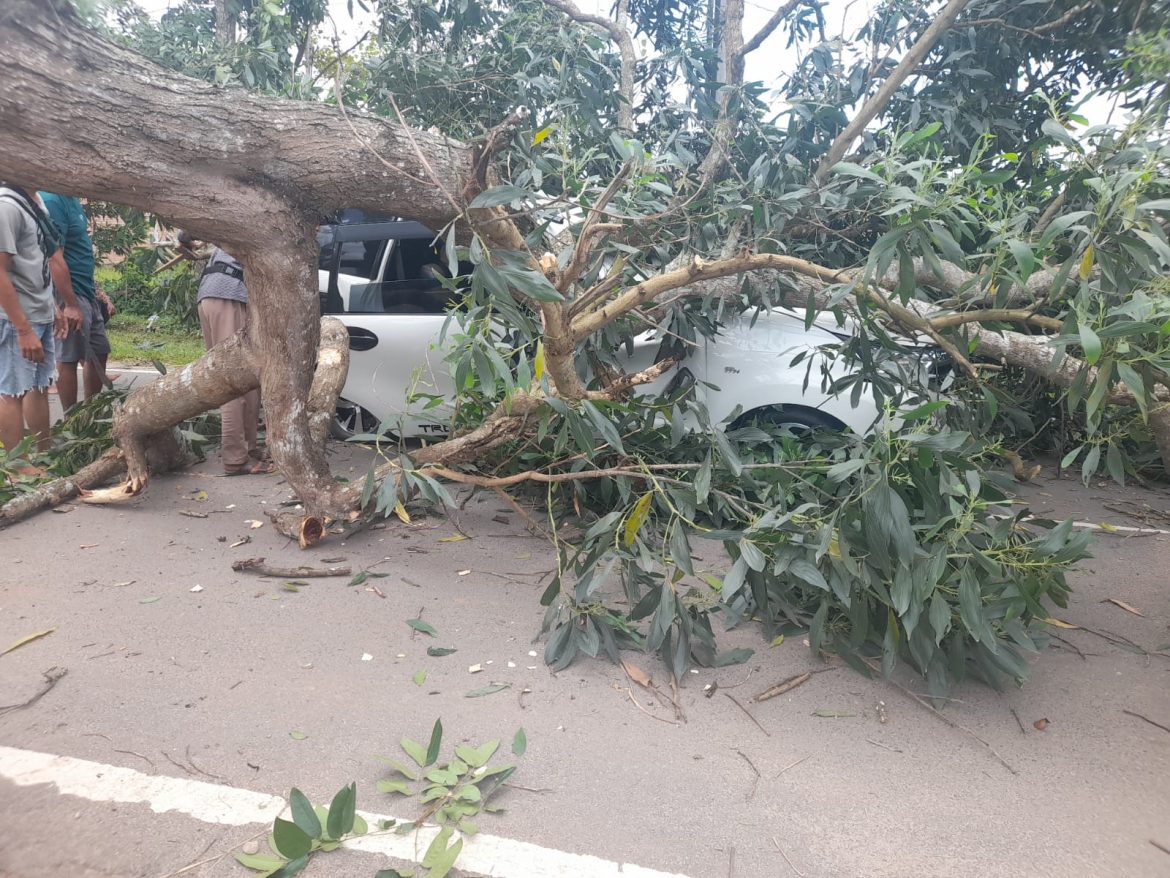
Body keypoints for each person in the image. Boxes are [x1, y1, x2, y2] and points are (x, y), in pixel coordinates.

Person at [0, 182, 82, 470]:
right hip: (16, 318)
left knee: (38, 385)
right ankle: (18, 468)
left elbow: (40, 263)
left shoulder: (34, 200)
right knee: (12, 392)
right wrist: (23, 329)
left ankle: (42, 456)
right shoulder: (7, 206)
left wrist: (53, 307)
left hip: (40, 311)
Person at [179, 231, 273, 476]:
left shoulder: (230, 209)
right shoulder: (259, 210)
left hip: (213, 295)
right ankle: (235, 459)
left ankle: (248, 450)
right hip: (229, 294)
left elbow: (187, 229)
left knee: (249, 376)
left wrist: (185, 237)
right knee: (231, 381)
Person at [40, 191, 111, 409]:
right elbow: (53, 255)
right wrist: (69, 304)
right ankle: (72, 421)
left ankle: (90, 413)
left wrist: (99, 293)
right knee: (69, 355)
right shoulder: (53, 200)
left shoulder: (72, 200)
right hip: (68, 292)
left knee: (99, 350)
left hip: (85, 289)